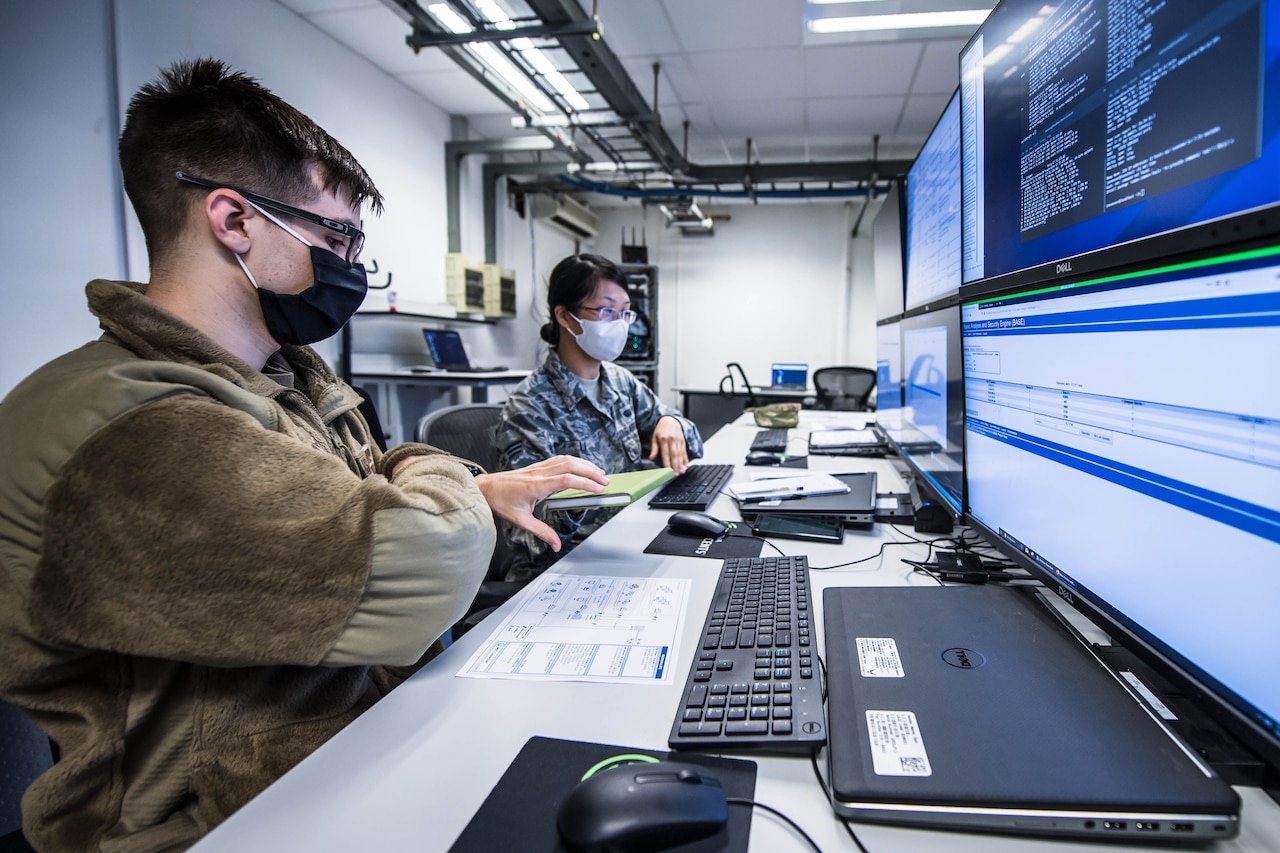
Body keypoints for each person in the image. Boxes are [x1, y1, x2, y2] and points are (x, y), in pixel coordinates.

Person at [0, 59, 606, 853]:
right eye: (336, 235)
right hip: (229, 821)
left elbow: (383, 509)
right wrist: (435, 474)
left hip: (360, 750)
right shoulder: (135, 425)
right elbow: (427, 558)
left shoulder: (281, 379)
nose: (351, 263)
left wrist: (446, 485)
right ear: (234, 220)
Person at [495, 253, 703, 581]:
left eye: (624, 313)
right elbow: (528, 536)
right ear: (565, 316)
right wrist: (573, 504)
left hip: (631, 537)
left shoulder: (620, 381)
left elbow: (692, 442)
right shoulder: (530, 406)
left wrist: (671, 422)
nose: (620, 324)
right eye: (607, 311)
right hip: (568, 568)